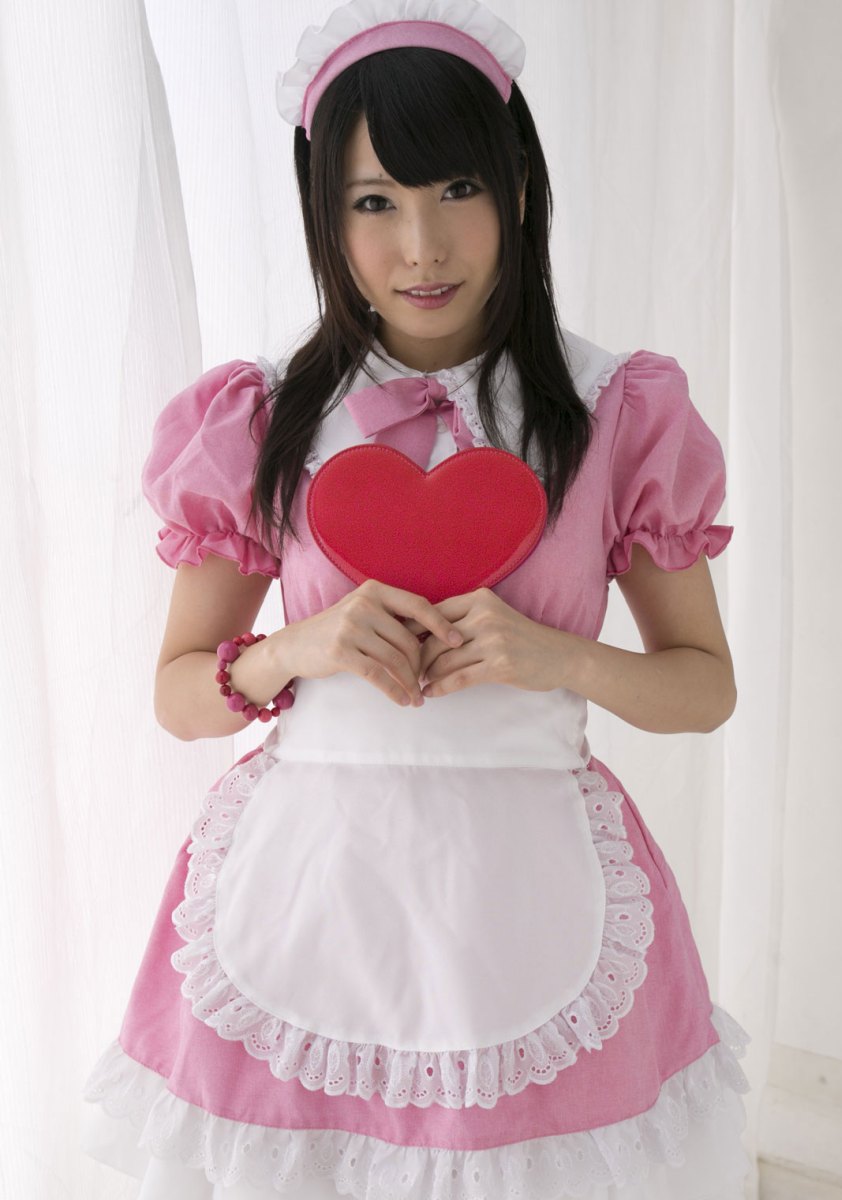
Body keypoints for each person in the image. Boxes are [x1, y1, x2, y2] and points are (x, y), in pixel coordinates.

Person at [80, 1, 753, 1196]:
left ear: (518, 190)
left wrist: (559, 658)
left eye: (456, 189)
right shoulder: (259, 418)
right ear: (324, 216)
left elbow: (703, 687)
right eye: (372, 203)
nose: (421, 246)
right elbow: (178, 696)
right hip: (310, 890)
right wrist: (301, 646)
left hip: (528, 887)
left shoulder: (614, 412)